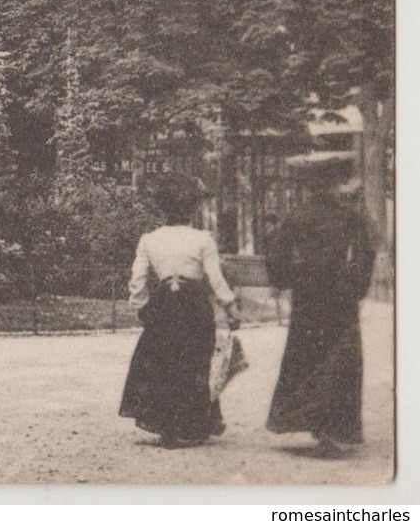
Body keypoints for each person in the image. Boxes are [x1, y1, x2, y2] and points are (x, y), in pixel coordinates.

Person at [118, 172, 239, 447]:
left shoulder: (149, 239)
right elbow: (215, 278)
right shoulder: (202, 239)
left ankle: (166, 425)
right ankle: (191, 423)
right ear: (191, 209)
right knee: (194, 361)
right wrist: (230, 307)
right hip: (194, 304)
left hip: (163, 304)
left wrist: (141, 306)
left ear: (163, 209)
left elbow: (137, 280)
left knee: (162, 361)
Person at [264, 159, 375, 455]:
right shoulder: (350, 217)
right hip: (339, 293)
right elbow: (366, 254)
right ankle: (334, 427)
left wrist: (287, 278)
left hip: (309, 293)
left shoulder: (297, 216)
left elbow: (276, 254)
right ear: (333, 183)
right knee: (340, 356)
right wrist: (356, 286)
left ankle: (311, 420)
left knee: (307, 354)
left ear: (308, 186)